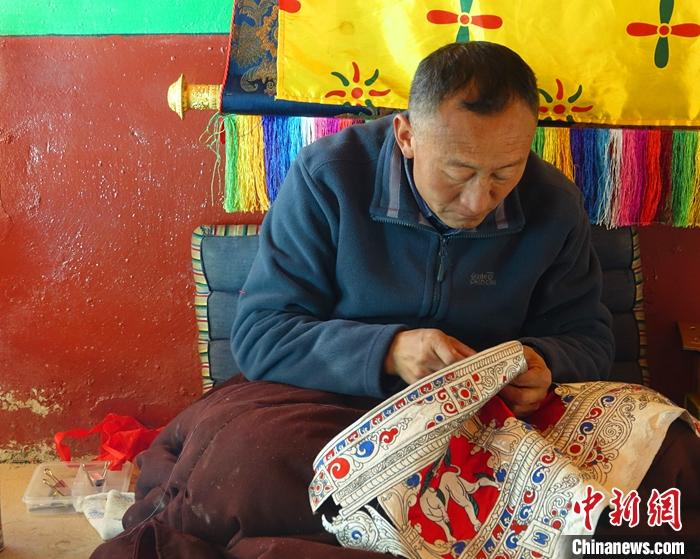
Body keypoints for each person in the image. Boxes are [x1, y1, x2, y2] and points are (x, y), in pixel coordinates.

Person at [231, 41, 614, 418]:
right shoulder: (329, 178)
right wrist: (388, 352)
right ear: (406, 137)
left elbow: (588, 338)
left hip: (487, 410)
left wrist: (544, 361)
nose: (478, 202)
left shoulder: (554, 202)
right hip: (337, 400)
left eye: (504, 173)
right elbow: (261, 334)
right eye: (458, 172)